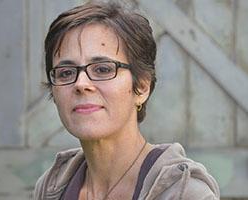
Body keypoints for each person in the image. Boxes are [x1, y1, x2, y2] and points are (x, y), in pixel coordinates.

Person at [34, 1, 220, 200]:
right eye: (66, 72)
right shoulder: (51, 188)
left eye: (103, 69)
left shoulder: (185, 193)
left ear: (141, 87)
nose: (80, 83)